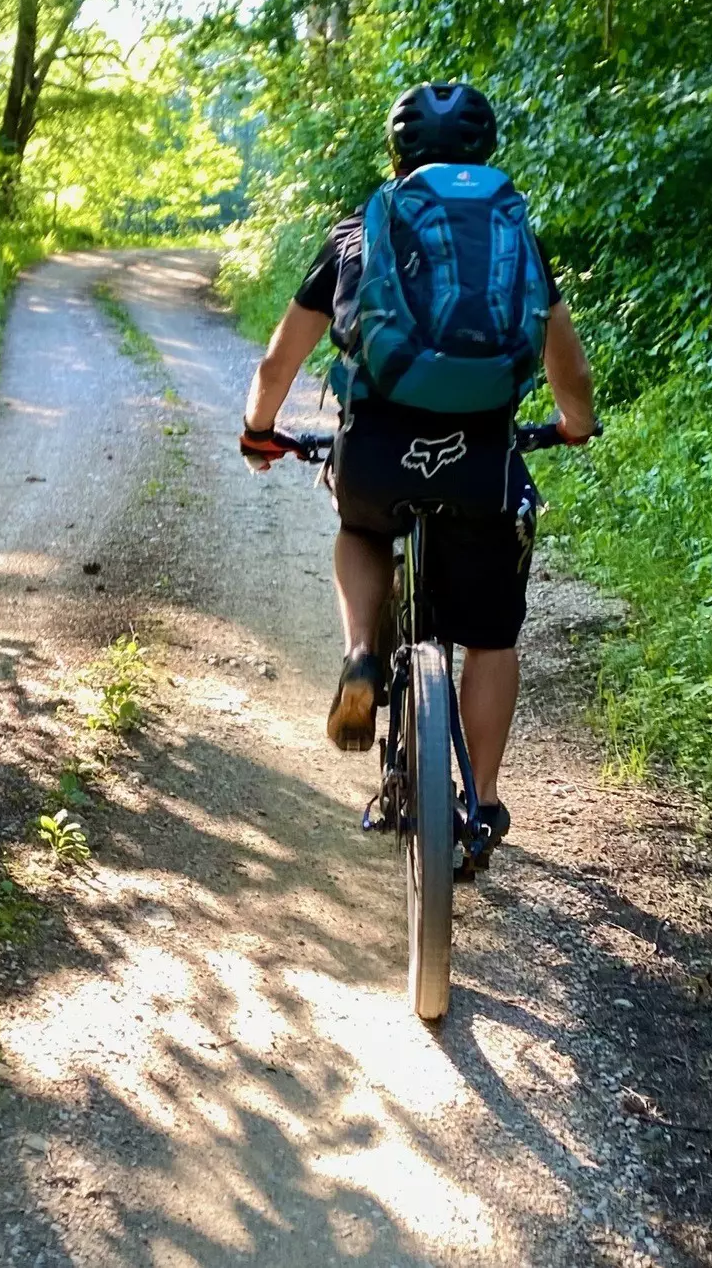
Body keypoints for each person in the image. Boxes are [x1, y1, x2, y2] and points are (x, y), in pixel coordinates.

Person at [238, 82, 597, 849]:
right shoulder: (515, 237)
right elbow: (570, 367)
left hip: (379, 451)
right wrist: (574, 425)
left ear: (398, 153)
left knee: (362, 528)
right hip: (483, 460)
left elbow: (278, 363)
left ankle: (364, 652)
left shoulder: (355, 236)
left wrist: (259, 430)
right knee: (493, 637)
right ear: (485, 153)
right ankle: (485, 806)